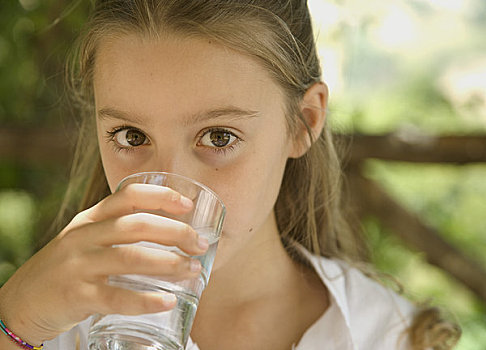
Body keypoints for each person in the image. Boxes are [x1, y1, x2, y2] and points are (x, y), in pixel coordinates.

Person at [0, 1, 460, 349]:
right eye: (131, 136)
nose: (170, 191)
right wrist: (13, 321)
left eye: (219, 137)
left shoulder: (388, 336)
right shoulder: (49, 326)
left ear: (304, 123)